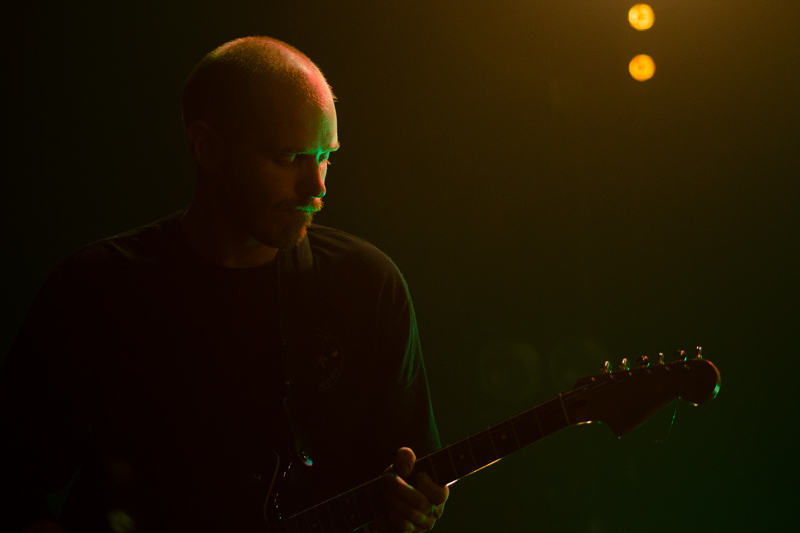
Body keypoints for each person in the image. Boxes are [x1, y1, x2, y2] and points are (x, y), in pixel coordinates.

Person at [1, 36, 448, 532]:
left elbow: (410, 476)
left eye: (325, 156)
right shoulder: (94, 289)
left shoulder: (369, 285)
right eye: (289, 157)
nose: (317, 186)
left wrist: (414, 511)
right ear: (208, 148)